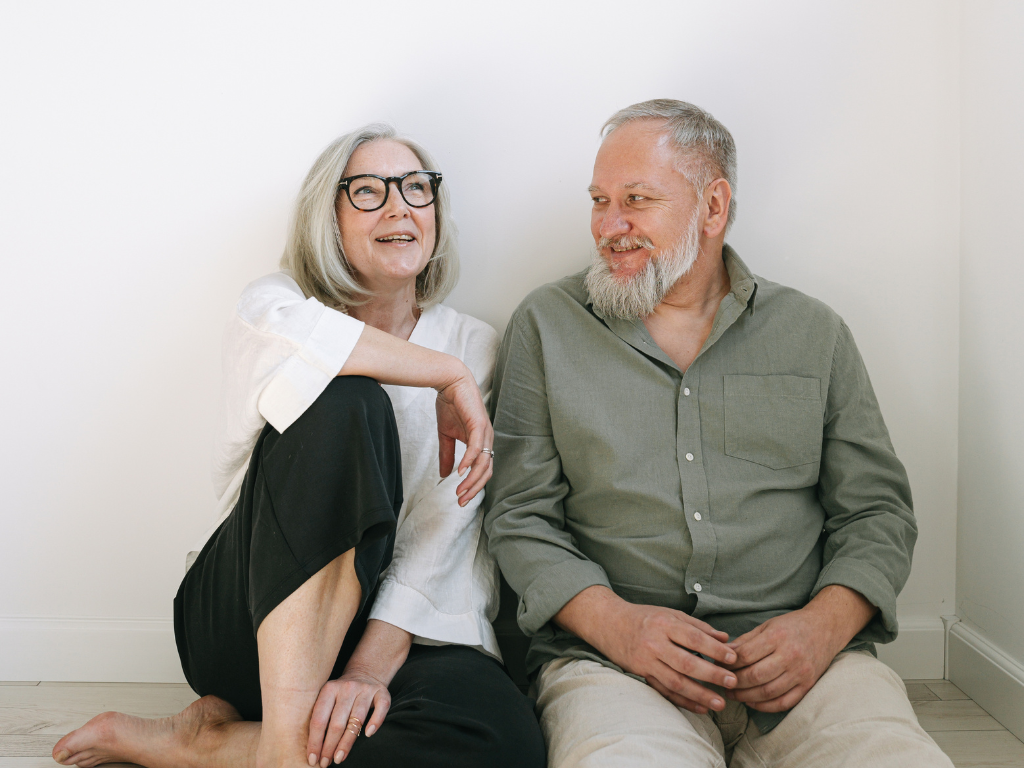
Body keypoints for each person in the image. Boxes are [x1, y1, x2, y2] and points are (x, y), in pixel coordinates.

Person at [52, 124, 545, 768]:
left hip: (391, 630)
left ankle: (213, 745)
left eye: (416, 189)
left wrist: (367, 672)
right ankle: (286, 750)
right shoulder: (276, 305)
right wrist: (439, 372)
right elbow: (316, 354)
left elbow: (442, 527)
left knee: (500, 743)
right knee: (345, 401)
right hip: (249, 615)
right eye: (368, 191)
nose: (399, 206)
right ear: (329, 220)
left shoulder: (474, 342)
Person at [483, 100, 954, 767]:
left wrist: (822, 629)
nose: (609, 226)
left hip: (809, 673)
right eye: (599, 200)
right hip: (618, 671)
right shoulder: (547, 325)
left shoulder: (814, 332)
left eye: (637, 200)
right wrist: (619, 627)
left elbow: (877, 511)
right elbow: (520, 516)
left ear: (712, 207)